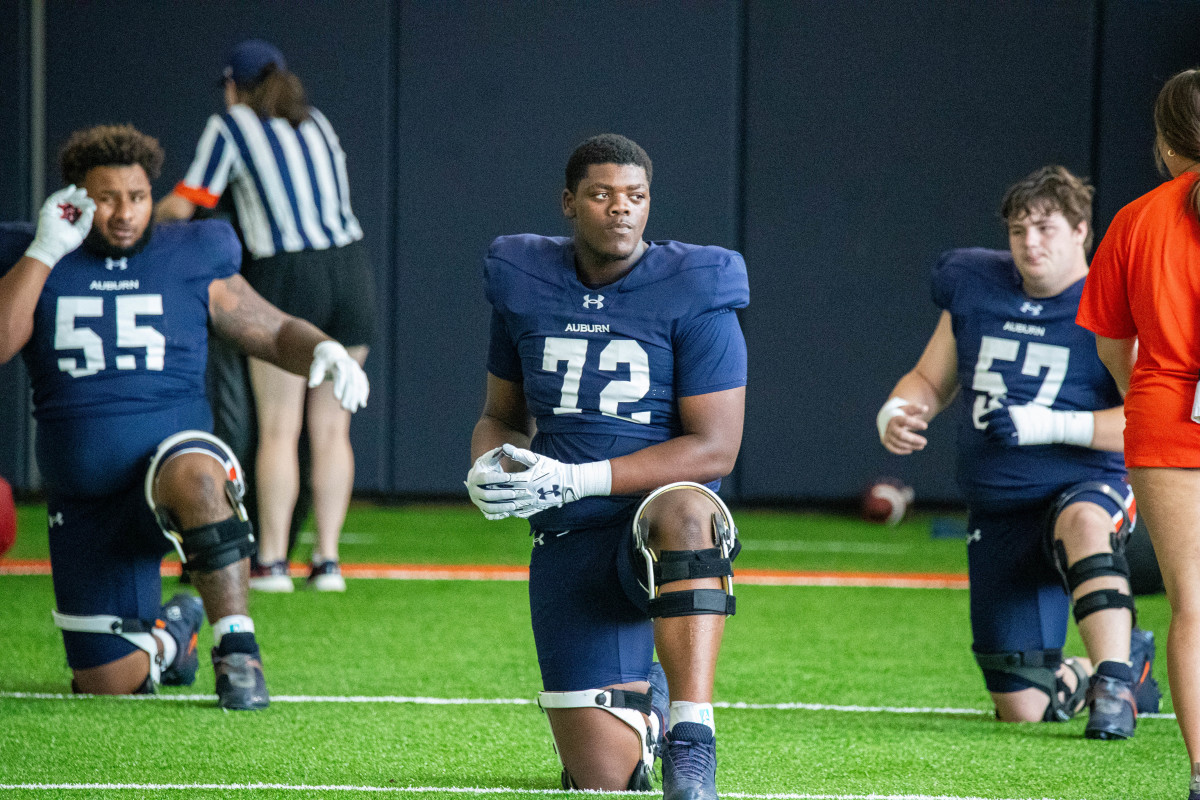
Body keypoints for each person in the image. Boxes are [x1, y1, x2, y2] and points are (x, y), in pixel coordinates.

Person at [0, 124, 369, 707]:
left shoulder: (191, 251)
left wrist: (319, 348)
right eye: (107, 197)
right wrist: (44, 251)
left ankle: (238, 651)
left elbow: (265, 325)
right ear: (75, 198)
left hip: (172, 471)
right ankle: (176, 635)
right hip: (85, 502)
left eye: (138, 196)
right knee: (108, 684)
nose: (125, 213)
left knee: (198, 472)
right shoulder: (34, 253)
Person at [465, 133, 747, 799]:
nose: (620, 209)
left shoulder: (695, 285)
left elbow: (716, 448)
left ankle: (692, 735)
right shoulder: (524, 279)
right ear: (569, 203)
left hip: (657, 526)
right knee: (602, 782)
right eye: (601, 194)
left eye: (635, 197)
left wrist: (575, 477)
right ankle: (640, 705)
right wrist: (487, 463)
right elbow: (502, 414)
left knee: (688, 509)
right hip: (570, 535)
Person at [877, 165, 1160, 739]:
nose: (1030, 243)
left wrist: (1050, 425)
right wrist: (899, 409)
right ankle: (1131, 662)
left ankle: (1112, 682)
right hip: (1001, 506)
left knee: (1082, 520)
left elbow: (1146, 419)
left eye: (1046, 228)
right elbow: (930, 379)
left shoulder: (1113, 298)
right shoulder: (976, 284)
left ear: (1082, 230)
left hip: (1085, 484)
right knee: (1023, 707)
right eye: (1018, 230)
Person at [155, 38, 376, 592]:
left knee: (280, 428)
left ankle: (272, 562)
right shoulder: (317, 122)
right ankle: (327, 562)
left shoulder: (231, 126)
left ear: (235, 86)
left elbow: (185, 203)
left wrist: (142, 224)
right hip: (351, 270)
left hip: (288, 271)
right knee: (333, 429)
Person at [1077, 68, 1200, 799]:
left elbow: (1110, 345)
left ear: (1162, 141)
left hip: (1163, 416)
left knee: (1193, 607)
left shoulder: (1134, 220)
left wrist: (1145, 397)